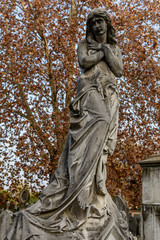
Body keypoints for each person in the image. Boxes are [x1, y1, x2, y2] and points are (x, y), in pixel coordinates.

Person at [6, 8, 123, 240]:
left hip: (109, 95)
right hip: (88, 92)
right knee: (99, 122)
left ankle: (94, 186)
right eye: (94, 23)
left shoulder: (114, 48)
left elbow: (118, 70)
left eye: (101, 22)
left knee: (103, 146)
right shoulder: (85, 45)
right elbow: (84, 62)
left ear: (108, 26)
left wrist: (106, 48)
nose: (98, 27)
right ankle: (81, 184)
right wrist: (101, 49)